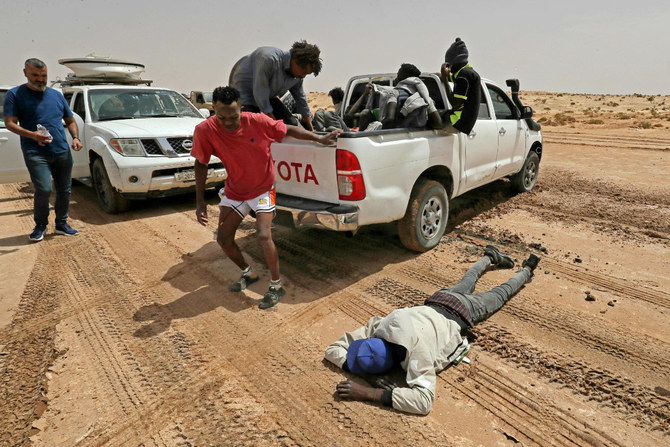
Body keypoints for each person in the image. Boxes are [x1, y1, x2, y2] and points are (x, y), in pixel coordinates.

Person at [324, 245, 541, 414]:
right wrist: (366, 372)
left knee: (501, 293)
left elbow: (423, 402)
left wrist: (369, 392)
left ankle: (527, 268)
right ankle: (489, 257)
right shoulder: (383, 325)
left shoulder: (419, 355)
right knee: (469, 279)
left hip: (463, 312)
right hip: (440, 299)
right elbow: (332, 349)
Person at [192, 86, 341, 309]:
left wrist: (317, 139)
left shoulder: (257, 121)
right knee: (223, 239)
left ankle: (275, 285)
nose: (229, 123)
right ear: (213, 110)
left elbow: (289, 129)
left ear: (241, 109)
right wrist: (200, 201)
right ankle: (248, 273)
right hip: (235, 191)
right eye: (222, 117)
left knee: (263, 235)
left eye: (234, 117)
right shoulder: (205, 130)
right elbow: (200, 163)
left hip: (263, 188)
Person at [2, 58, 83, 242]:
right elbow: (9, 124)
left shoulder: (56, 95)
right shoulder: (15, 95)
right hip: (35, 152)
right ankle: (41, 225)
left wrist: (76, 138)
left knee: (65, 190)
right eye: (35, 75)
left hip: (61, 150)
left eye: (43, 75)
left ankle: (62, 224)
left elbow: (70, 120)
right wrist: (33, 135)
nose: (40, 79)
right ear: (25, 73)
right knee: (44, 189)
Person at [229, 40, 322, 131]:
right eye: (304, 71)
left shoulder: (297, 76)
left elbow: (301, 101)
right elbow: (260, 93)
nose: (303, 76)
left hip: (268, 97)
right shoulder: (268, 58)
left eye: (307, 74)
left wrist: (312, 131)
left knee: (291, 124)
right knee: (256, 128)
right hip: (244, 96)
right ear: (295, 60)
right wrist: (275, 125)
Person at [345, 64, 442, 131]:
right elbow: (438, 123)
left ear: (404, 77)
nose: (396, 78)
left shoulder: (394, 93)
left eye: (398, 75)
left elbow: (390, 120)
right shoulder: (426, 98)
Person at [440, 37, 481, 134]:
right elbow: (453, 78)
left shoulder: (464, 76)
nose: (449, 66)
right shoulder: (467, 72)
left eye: (449, 64)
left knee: (429, 117)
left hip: (459, 122)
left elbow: (455, 103)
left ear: (455, 62)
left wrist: (445, 80)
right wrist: (442, 75)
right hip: (463, 121)